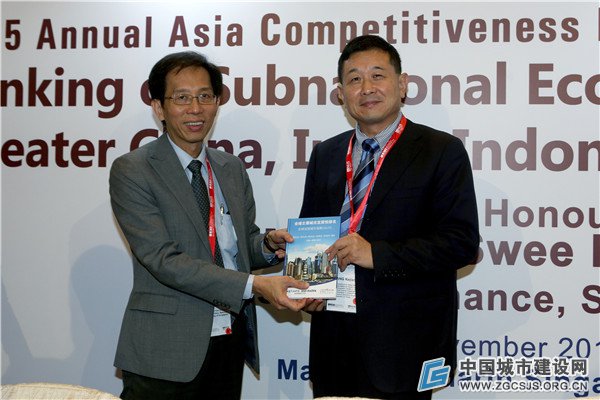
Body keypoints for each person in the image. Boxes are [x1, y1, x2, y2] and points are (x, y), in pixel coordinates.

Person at [109, 51, 309, 400]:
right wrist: (255, 285)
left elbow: (236, 246)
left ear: (217, 103)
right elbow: (163, 260)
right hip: (165, 349)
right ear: (159, 108)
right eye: (182, 98)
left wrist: (266, 245)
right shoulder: (134, 170)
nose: (195, 108)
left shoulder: (231, 168)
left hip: (228, 342)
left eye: (205, 96)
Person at [301, 35, 479, 399]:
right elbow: (312, 233)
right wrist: (309, 285)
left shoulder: (441, 151)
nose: (366, 88)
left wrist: (376, 255)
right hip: (334, 340)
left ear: (402, 84)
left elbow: (460, 244)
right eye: (354, 79)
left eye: (377, 75)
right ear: (341, 94)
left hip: (404, 342)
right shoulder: (326, 155)